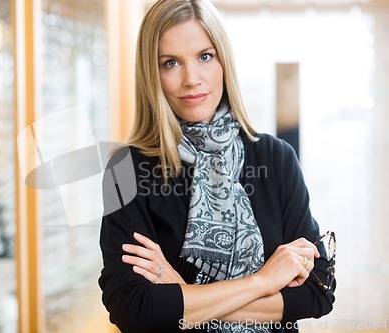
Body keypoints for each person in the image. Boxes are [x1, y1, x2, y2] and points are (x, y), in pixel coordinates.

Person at [98, 0, 336, 332]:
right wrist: (264, 281)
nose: (191, 79)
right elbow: (133, 310)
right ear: (152, 74)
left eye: (204, 57)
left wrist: (185, 295)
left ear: (224, 61)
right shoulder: (125, 170)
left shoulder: (275, 157)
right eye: (170, 63)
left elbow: (318, 292)